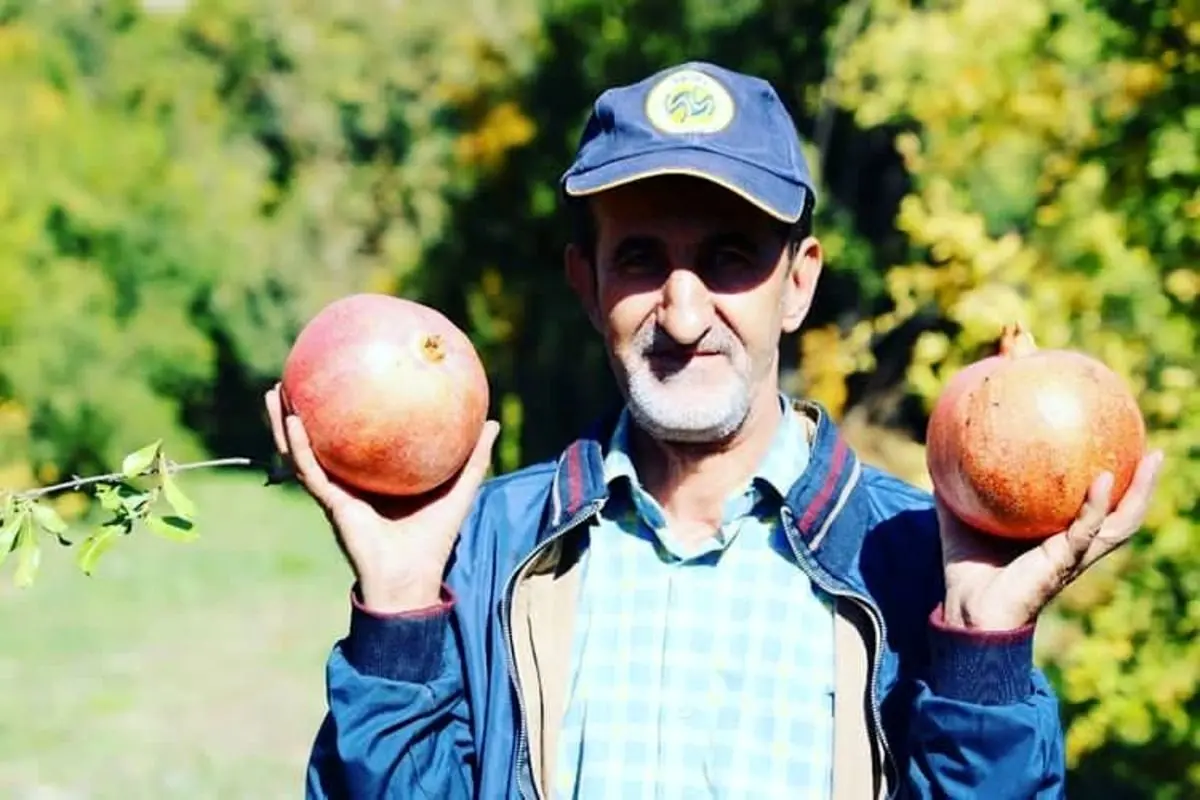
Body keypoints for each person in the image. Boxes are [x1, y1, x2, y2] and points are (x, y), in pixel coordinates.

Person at [266, 61, 1163, 799]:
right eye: (641, 259)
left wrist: (982, 652)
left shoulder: (912, 563)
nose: (684, 313)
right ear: (587, 284)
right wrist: (395, 615)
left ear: (799, 283)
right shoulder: (482, 553)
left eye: (729, 258)